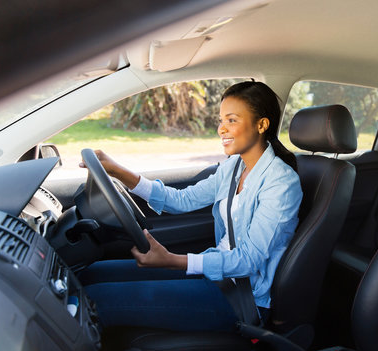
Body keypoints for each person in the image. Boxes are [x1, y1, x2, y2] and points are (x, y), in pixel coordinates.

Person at [79, 81, 303, 332]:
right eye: (221, 120)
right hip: (216, 272)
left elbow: (248, 261)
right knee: (92, 274)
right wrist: (118, 171)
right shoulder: (233, 167)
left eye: (231, 120)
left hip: (243, 298)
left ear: (261, 125)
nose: (221, 129)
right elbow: (181, 200)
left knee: (96, 300)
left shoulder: (282, 183)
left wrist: (173, 261)